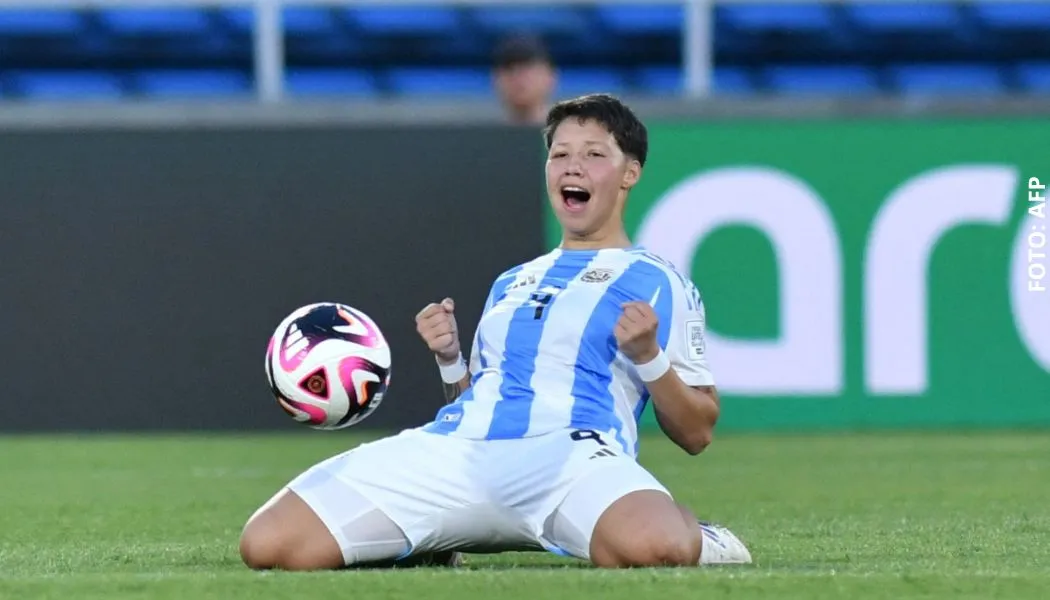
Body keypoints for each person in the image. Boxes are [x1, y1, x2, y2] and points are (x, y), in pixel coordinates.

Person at [239, 93, 752, 571]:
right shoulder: (513, 280)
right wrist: (449, 359)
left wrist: (648, 356)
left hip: (571, 455)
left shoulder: (660, 281)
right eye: (560, 155)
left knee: (658, 547)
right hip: (460, 448)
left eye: (594, 154)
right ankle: (430, 539)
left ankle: (707, 540)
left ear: (629, 173)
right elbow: (477, 399)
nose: (572, 165)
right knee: (268, 543)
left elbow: (697, 431)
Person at [491, 34, 557, 126]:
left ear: (550, 76)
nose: (517, 77)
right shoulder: (483, 138)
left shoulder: (573, 135)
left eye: (528, 68)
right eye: (509, 69)